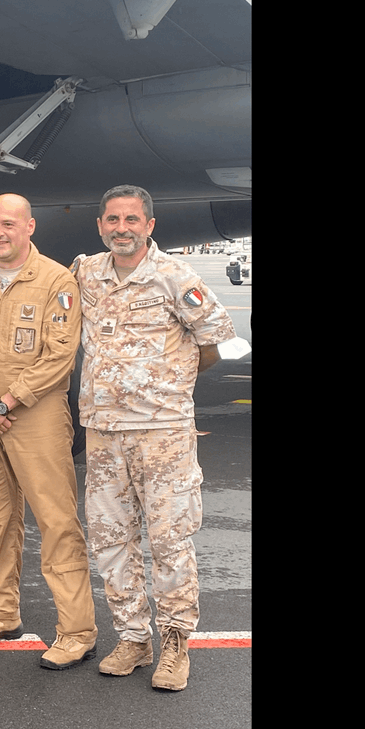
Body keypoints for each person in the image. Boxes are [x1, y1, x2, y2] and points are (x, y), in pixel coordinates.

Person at [74, 185, 236, 691]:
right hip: (103, 435)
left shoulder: (175, 277)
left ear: (149, 225)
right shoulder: (87, 273)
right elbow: (29, 269)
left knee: (170, 540)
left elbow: (217, 339)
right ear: (100, 225)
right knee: (110, 541)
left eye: (132, 219)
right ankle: (133, 639)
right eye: (112, 219)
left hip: (162, 433)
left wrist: (169, 382)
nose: (121, 227)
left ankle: (176, 643)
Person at [0, 194, 98, 669]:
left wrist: (5, 403)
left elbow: (59, 357)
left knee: (56, 523)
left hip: (36, 417)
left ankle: (77, 630)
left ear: (30, 226)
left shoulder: (55, 281)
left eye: (9, 224)